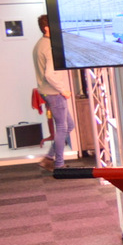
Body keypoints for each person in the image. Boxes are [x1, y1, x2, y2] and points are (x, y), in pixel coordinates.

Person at [32, 14, 74, 171]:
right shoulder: (49, 47)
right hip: (54, 92)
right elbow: (49, 74)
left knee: (69, 125)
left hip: (48, 91)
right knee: (63, 127)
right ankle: (59, 164)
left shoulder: (39, 44)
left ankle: (49, 158)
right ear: (47, 28)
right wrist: (63, 90)